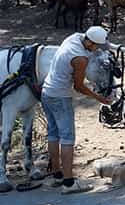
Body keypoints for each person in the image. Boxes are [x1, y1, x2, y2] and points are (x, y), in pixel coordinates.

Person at [42, 26, 113, 194]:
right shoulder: (80, 59)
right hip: (60, 97)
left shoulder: (74, 37)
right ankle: (68, 183)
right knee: (67, 138)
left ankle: (57, 175)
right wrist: (99, 97)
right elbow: (79, 86)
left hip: (47, 92)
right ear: (90, 43)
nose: (96, 49)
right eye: (96, 46)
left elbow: (98, 43)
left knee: (53, 134)